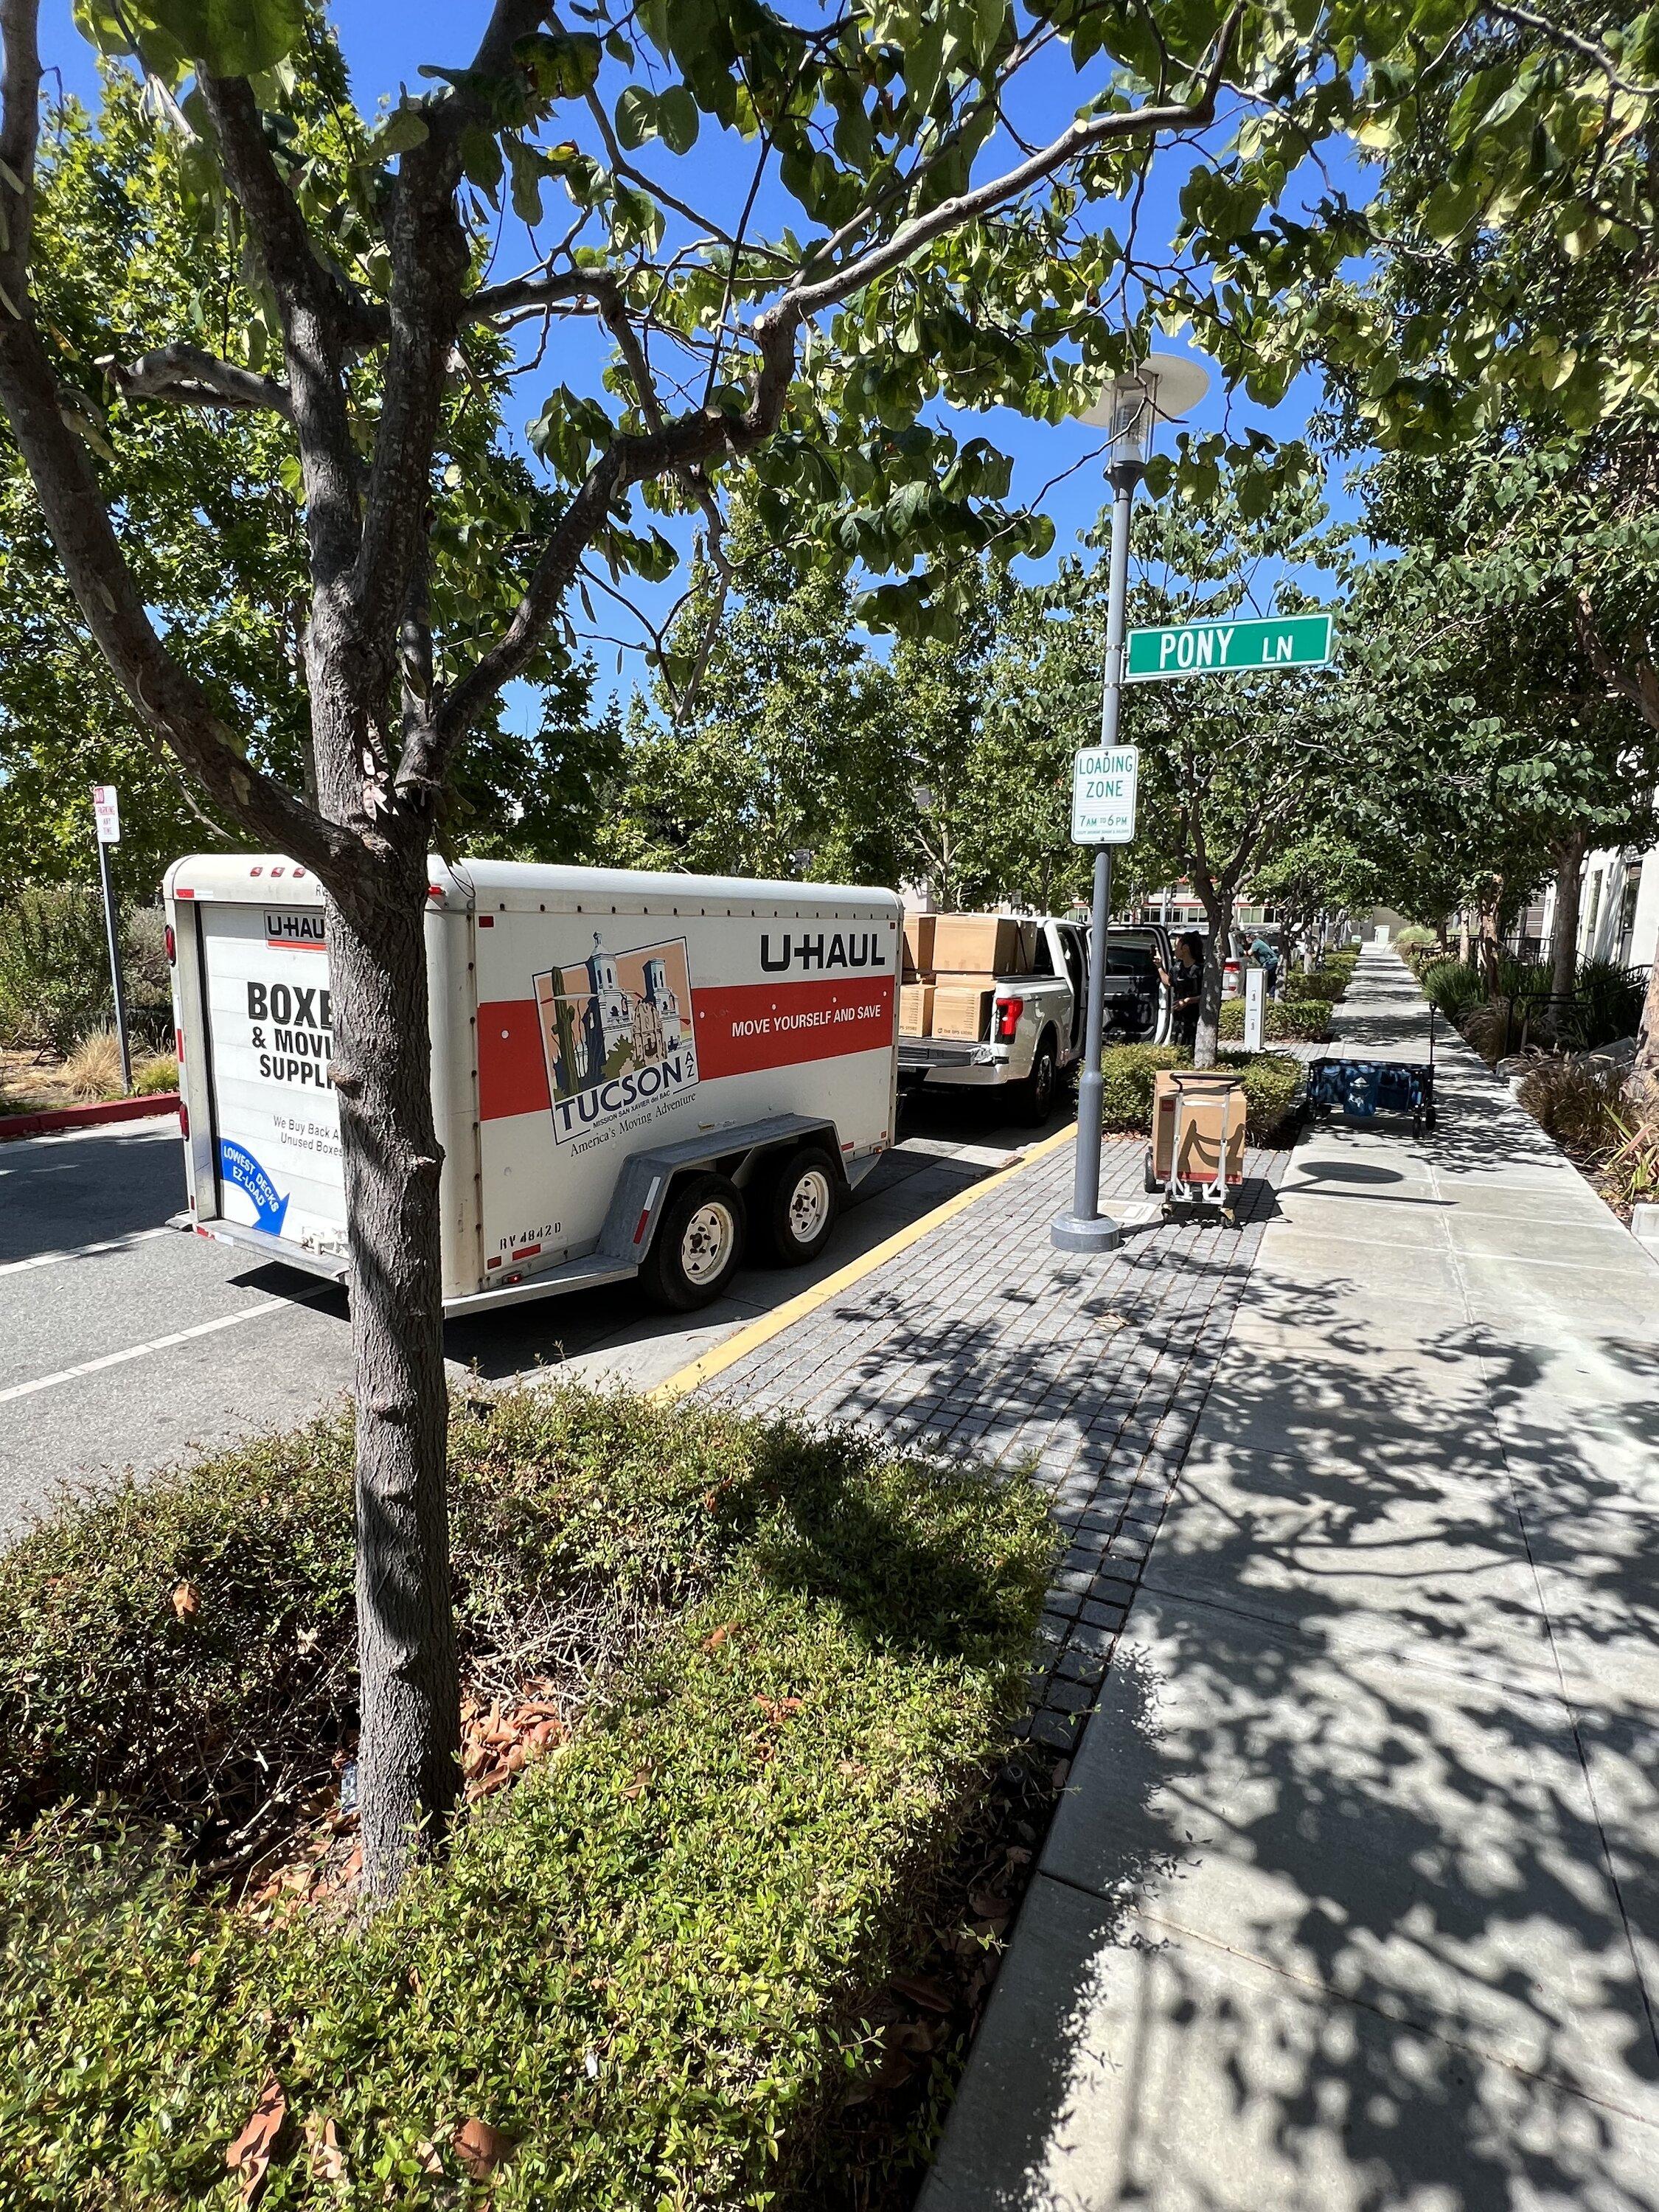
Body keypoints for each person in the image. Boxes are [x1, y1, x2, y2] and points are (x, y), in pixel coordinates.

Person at [1157, 931, 1203, 1050]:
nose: (1175, 950)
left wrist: (1188, 1001)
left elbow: (1207, 996)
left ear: (1186, 948)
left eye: (1177, 946)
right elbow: (1170, 983)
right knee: (1177, 1045)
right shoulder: (1177, 967)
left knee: (1191, 1045)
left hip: (1195, 1018)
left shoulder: (1200, 969)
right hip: (1178, 1019)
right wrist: (1159, 967)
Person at [1251, 931, 1281, 999]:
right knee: (1271, 980)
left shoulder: (1256, 943)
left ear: (1250, 938)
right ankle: (1271, 995)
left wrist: (1242, 950)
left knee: (1263, 977)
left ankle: (1260, 994)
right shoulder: (1259, 942)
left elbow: (1250, 953)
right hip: (1273, 961)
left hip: (1270, 962)